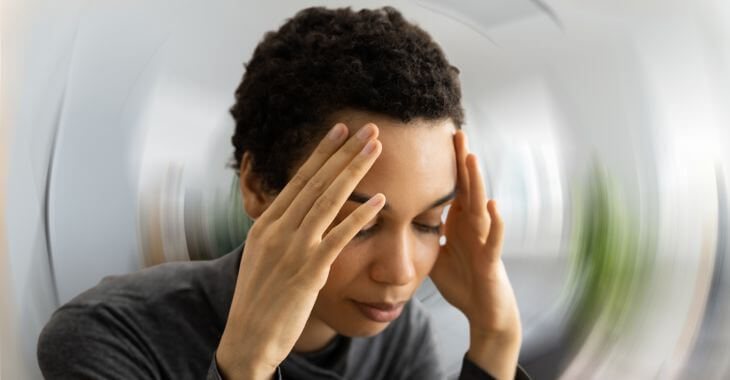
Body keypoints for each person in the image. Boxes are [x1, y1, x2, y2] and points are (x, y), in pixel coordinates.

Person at [37, 6, 530, 380]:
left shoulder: (401, 341)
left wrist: (496, 337)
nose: (401, 273)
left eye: (428, 224)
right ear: (256, 185)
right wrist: (247, 361)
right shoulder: (109, 336)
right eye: (355, 223)